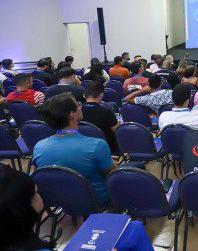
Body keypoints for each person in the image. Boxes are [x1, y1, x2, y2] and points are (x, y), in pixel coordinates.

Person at [0, 164, 155, 251]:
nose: (39, 194)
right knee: (134, 229)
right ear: (20, 209)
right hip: (98, 200)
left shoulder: (40, 147)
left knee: (133, 228)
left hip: (74, 202)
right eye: (34, 193)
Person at [32, 93, 116, 204]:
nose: (80, 106)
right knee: (135, 168)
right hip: (97, 200)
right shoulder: (98, 145)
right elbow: (113, 175)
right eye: (78, 104)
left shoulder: (38, 147)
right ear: (72, 114)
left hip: (61, 199)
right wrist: (108, 160)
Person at [81, 82, 120, 155]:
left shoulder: (77, 111)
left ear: (84, 96)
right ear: (101, 95)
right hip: (107, 148)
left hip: (84, 147)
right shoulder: (106, 110)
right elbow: (115, 128)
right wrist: (118, 121)